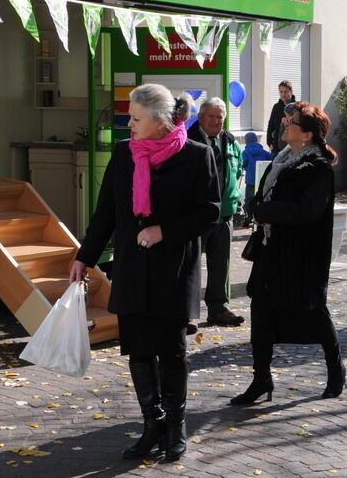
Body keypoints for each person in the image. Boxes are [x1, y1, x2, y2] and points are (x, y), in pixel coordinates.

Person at [70, 83, 219, 463]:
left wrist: (163, 230)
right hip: (133, 267)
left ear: (160, 120)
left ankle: (176, 427)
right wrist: (83, 257)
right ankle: (151, 424)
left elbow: (209, 213)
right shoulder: (124, 154)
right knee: (137, 349)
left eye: (135, 119)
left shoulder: (196, 155)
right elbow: (106, 213)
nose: (129, 126)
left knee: (171, 351)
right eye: (129, 118)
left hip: (173, 267)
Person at [231, 102, 344, 404]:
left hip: (303, 256)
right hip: (273, 250)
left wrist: (266, 210)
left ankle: (336, 370)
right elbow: (263, 195)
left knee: (314, 313)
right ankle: (261, 379)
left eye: (291, 122)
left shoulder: (318, 169)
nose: (285, 124)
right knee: (262, 312)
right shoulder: (281, 160)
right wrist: (255, 207)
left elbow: (307, 211)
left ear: (307, 135)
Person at [187, 97, 245, 327]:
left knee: (221, 265)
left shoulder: (230, 141)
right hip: (196, 215)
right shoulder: (188, 141)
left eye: (220, 117)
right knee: (190, 266)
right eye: (211, 116)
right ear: (200, 117)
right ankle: (187, 313)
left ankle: (218, 308)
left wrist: (236, 203)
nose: (215, 121)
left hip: (224, 214)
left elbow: (237, 171)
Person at [240, 131, 274, 223]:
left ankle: (249, 216)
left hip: (250, 181)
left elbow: (243, 163)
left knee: (249, 199)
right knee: (261, 198)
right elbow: (272, 157)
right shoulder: (262, 151)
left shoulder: (245, 152)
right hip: (262, 180)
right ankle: (259, 217)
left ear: (247, 141)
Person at [265, 80, 297, 153]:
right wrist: (269, 142)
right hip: (277, 147)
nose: (283, 94)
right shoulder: (276, 107)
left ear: (291, 92)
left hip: (291, 147)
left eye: (286, 92)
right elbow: (271, 125)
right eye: (281, 92)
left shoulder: (296, 107)